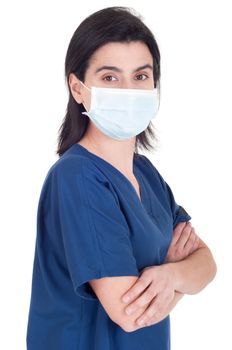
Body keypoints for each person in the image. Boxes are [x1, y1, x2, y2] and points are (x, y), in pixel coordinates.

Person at [26, 6, 217, 350]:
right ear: (78, 87)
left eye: (141, 76)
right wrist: (179, 277)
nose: (128, 90)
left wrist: (171, 274)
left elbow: (207, 264)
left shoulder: (145, 173)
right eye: (110, 77)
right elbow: (129, 313)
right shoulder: (77, 178)